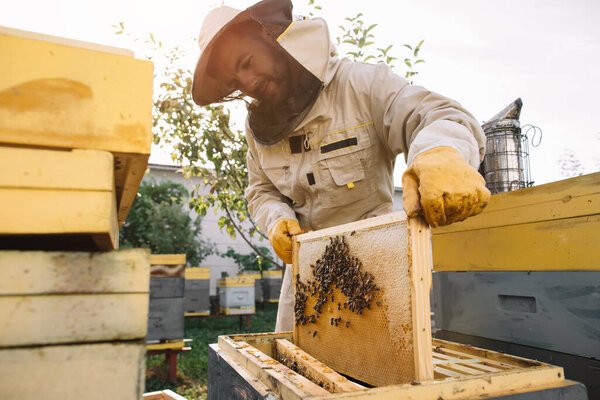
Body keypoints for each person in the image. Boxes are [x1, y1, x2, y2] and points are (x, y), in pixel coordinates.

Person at [191, 0, 491, 332]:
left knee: (380, 372)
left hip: (375, 267)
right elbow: (260, 191)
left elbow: (437, 115)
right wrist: (277, 220)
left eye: (246, 62)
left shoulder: (360, 83)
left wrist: (440, 152)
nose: (247, 82)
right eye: (235, 80)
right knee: (295, 376)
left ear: (270, 36)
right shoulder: (257, 130)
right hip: (306, 279)